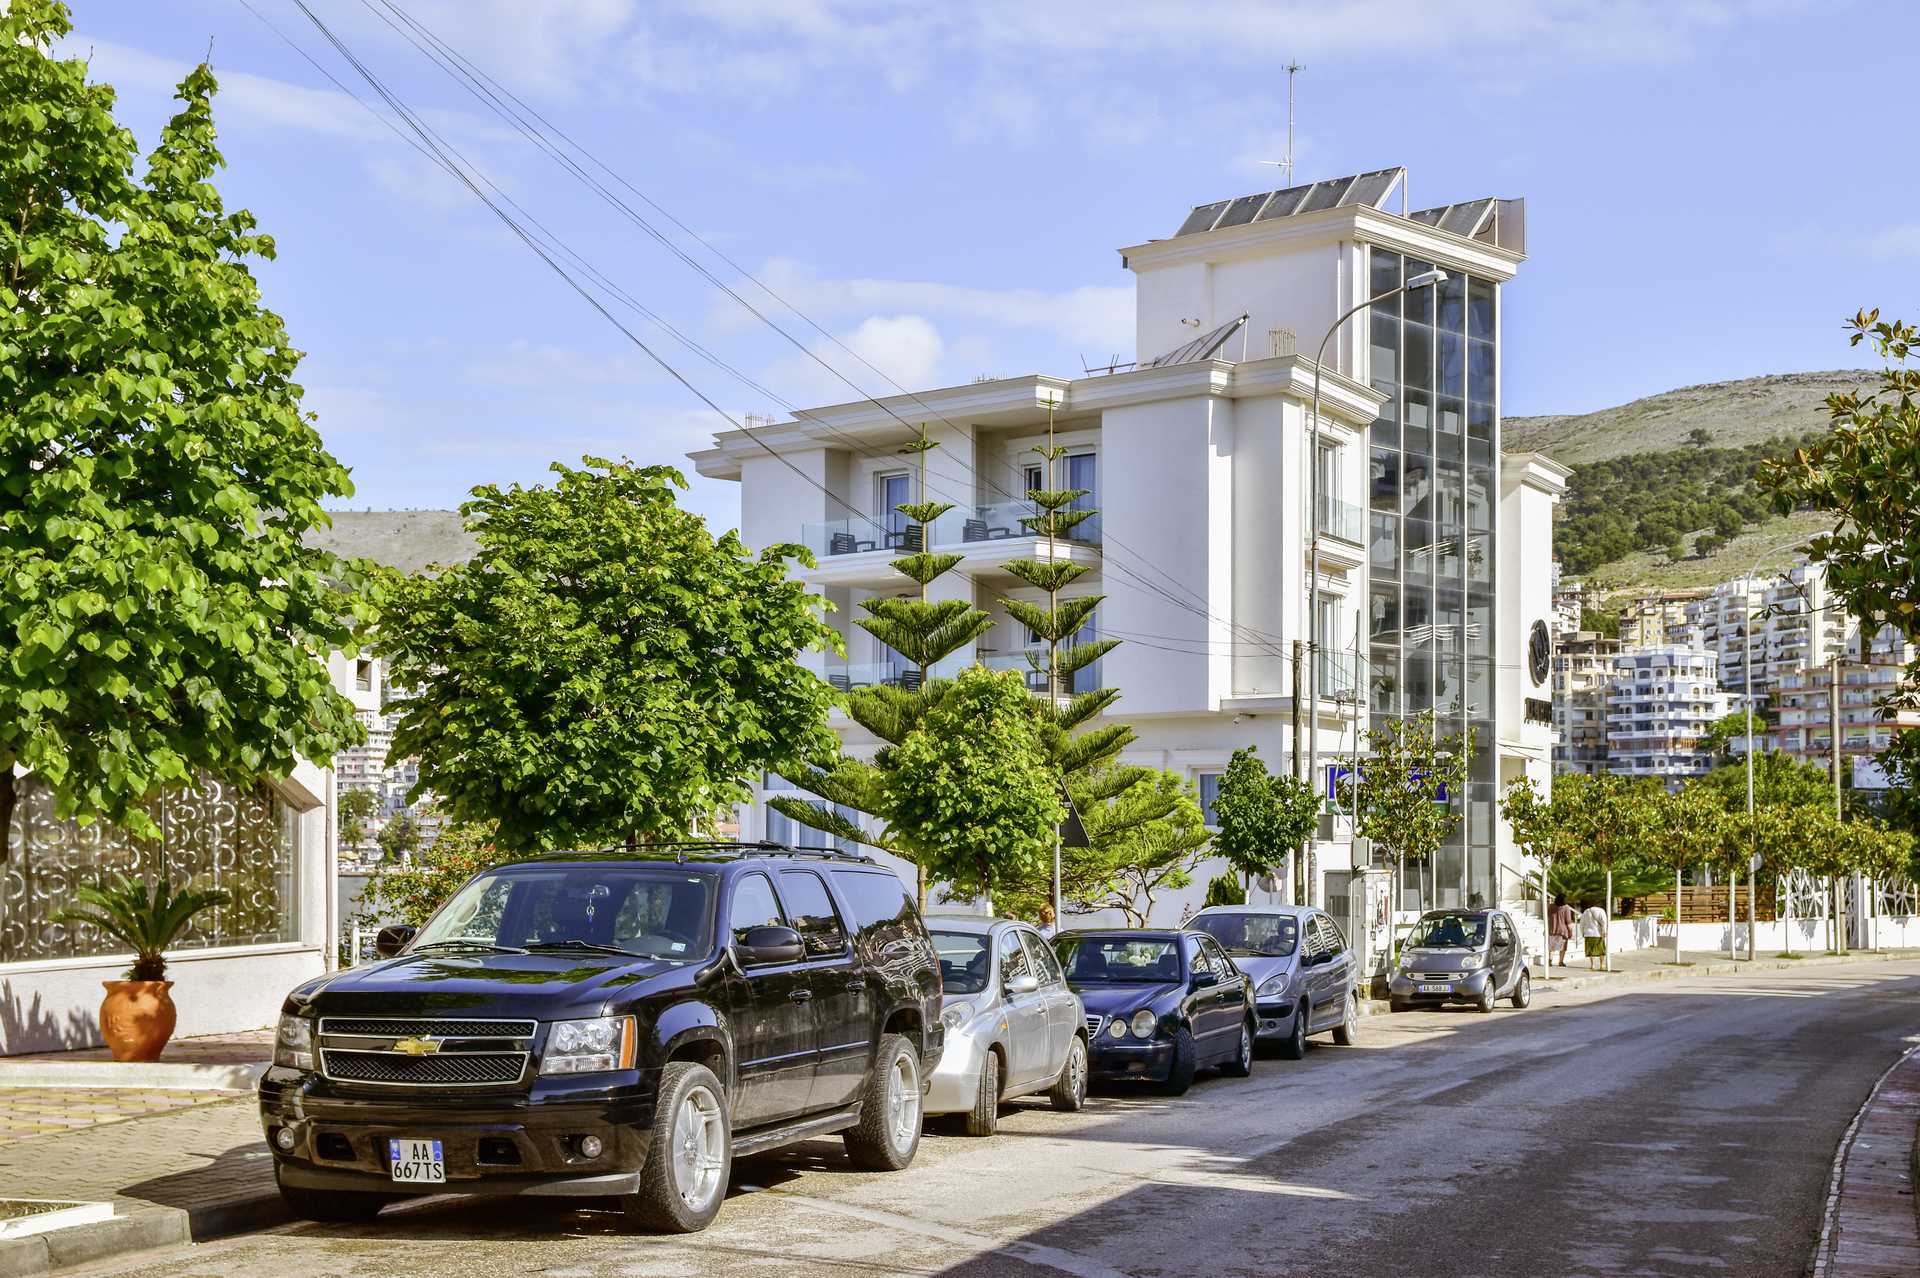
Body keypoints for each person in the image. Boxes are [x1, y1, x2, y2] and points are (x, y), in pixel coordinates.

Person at [1578, 899, 1610, 971]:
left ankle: (1592, 965)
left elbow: (1582, 923)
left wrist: (1582, 932)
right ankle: (1602, 964)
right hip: (1598, 933)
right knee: (1601, 950)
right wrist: (1604, 931)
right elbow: (1604, 922)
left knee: (1590, 950)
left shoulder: (1586, 911)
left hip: (1588, 933)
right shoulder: (1601, 911)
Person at [1549, 894, 1576, 968]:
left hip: (1552, 930)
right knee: (1563, 948)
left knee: (1551, 946)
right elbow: (1568, 921)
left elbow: (1548, 917)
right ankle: (1560, 962)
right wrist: (1570, 932)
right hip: (1563, 931)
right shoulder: (1566, 908)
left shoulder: (1550, 906)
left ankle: (1550, 960)